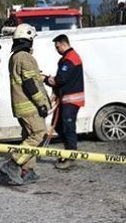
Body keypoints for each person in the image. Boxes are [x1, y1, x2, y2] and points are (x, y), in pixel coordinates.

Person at [0, 23, 51, 185]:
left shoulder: (15, 57)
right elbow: (29, 83)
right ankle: (13, 164)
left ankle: (28, 170)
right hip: (30, 106)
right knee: (38, 134)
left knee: (28, 136)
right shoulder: (25, 57)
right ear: (28, 39)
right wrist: (41, 103)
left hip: (21, 106)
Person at [45, 34, 85, 170]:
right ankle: (67, 151)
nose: (56, 50)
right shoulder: (66, 58)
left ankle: (71, 155)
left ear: (63, 44)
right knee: (58, 126)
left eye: (57, 47)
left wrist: (49, 80)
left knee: (68, 127)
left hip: (71, 99)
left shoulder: (71, 58)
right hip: (65, 98)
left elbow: (62, 79)